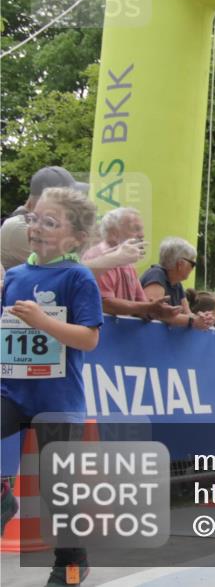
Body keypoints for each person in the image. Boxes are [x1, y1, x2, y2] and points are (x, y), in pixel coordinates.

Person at [1, 187, 104, 585]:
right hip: (11, 391)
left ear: (76, 238)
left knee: (57, 488)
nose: (37, 228)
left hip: (58, 399)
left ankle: (71, 563)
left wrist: (42, 322)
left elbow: (89, 339)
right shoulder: (14, 277)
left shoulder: (78, 277)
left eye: (50, 221)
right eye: (34, 219)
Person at [82, 208, 181, 322]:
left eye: (141, 230)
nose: (142, 234)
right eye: (135, 229)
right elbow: (105, 304)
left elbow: (141, 304)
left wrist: (157, 310)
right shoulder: (98, 256)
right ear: (114, 232)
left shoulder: (128, 265)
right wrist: (149, 308)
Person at [139, 237, 214, 330]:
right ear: (180, 264)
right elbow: (155, 313)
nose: (193, 268)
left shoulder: (176, 284)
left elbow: (188, 314)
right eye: (193, 264)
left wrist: (202, 318)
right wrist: (193, 320)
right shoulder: (156, 275)